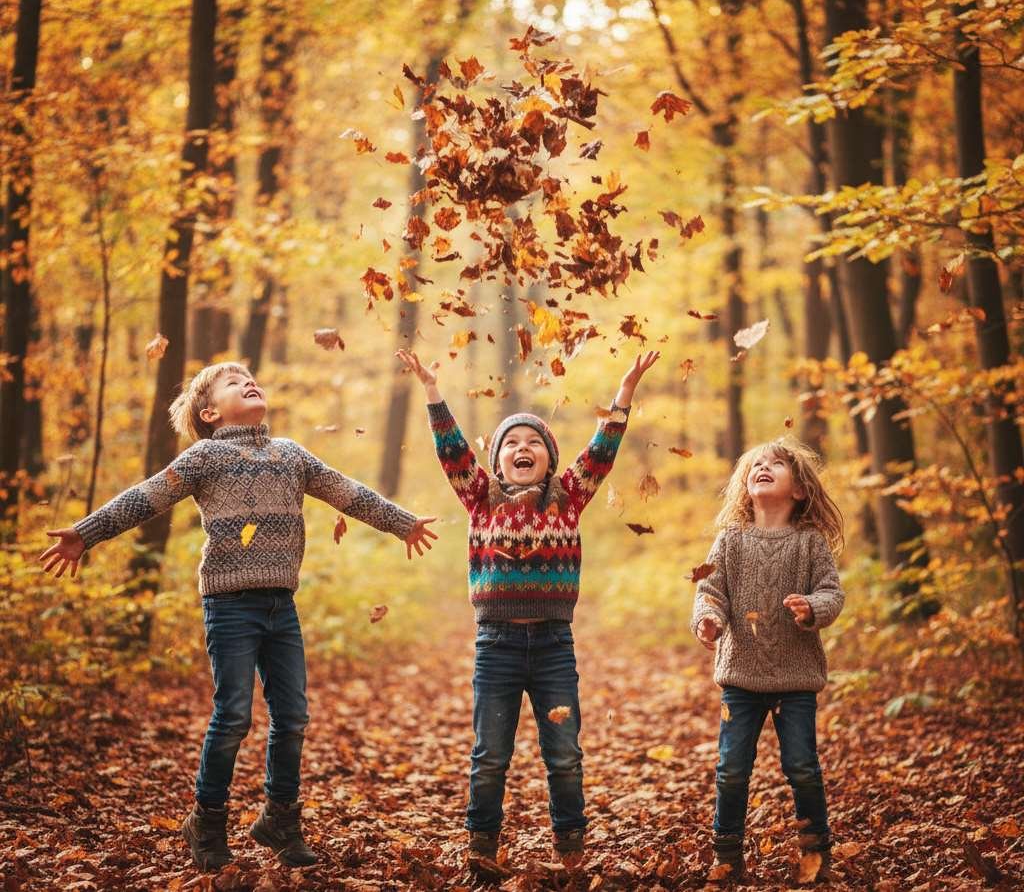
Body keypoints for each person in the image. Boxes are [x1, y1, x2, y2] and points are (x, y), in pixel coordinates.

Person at [39, 362, 437, 871]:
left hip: (280, 605)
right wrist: (86, 533)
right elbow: (146, 497)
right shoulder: (205, 456)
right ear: (209, 412)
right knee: (232, 716)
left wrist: (402, 524)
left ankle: (279, 818)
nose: (249, 383)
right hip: (229, 606)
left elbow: (348, 492)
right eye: (233, 383)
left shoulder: (290, 454)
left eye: (251, 378)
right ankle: (206, 821)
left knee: (293, 716)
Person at [397, 346, 659, 870]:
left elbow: (602, 451)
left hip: (554, 645)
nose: (523, 447)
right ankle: (481, 847)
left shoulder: (568, 497)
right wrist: (432, 392)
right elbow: (451, 450)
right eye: (511, 443)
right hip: (496, 645)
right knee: (490, 755)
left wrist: (624, 394)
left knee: (563, 754)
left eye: (533, 442)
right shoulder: (479, 497)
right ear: (495, 462)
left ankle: (570, 847)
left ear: (550, 459)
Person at [691, 437, 844, 882]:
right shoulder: (731, 540)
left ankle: (816, 848)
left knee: (801, 765)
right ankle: (727, 852)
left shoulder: (810, 543)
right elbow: (711, 591)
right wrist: (708, 619)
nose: (764, 467)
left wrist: (812, 608)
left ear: (799, 489)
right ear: (745, 483)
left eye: (777, 464)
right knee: (732, 767)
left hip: (796, 679)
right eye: (757, 464)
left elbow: (832, 592)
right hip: (740, 678)